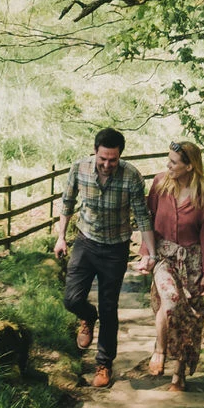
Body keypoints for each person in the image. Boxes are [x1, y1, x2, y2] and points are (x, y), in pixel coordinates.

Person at [53, 127, 152, 388]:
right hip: (85, 242)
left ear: (120, 156)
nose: (107, 165)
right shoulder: (79, 168)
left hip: (116, 249)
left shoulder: (131, 176)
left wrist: (149, 252)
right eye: (103, 159)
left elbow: (142, 216)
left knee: (109, 308)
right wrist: (61, 237)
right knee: (72, 299)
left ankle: (104, 364)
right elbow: (67, 202)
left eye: (113, 160)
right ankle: (87, 316)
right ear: (94, 152)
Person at [145, 141, 204, 391]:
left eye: (174, 162)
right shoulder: (160, 184)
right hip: (164, 256)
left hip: (192, 261)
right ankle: (159, 350)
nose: (168, 165)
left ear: (189, 166)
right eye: (169, 160)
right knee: (170, 299)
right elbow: (147, 221)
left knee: (189, 317)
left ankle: (179, 374)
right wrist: (146, 254)